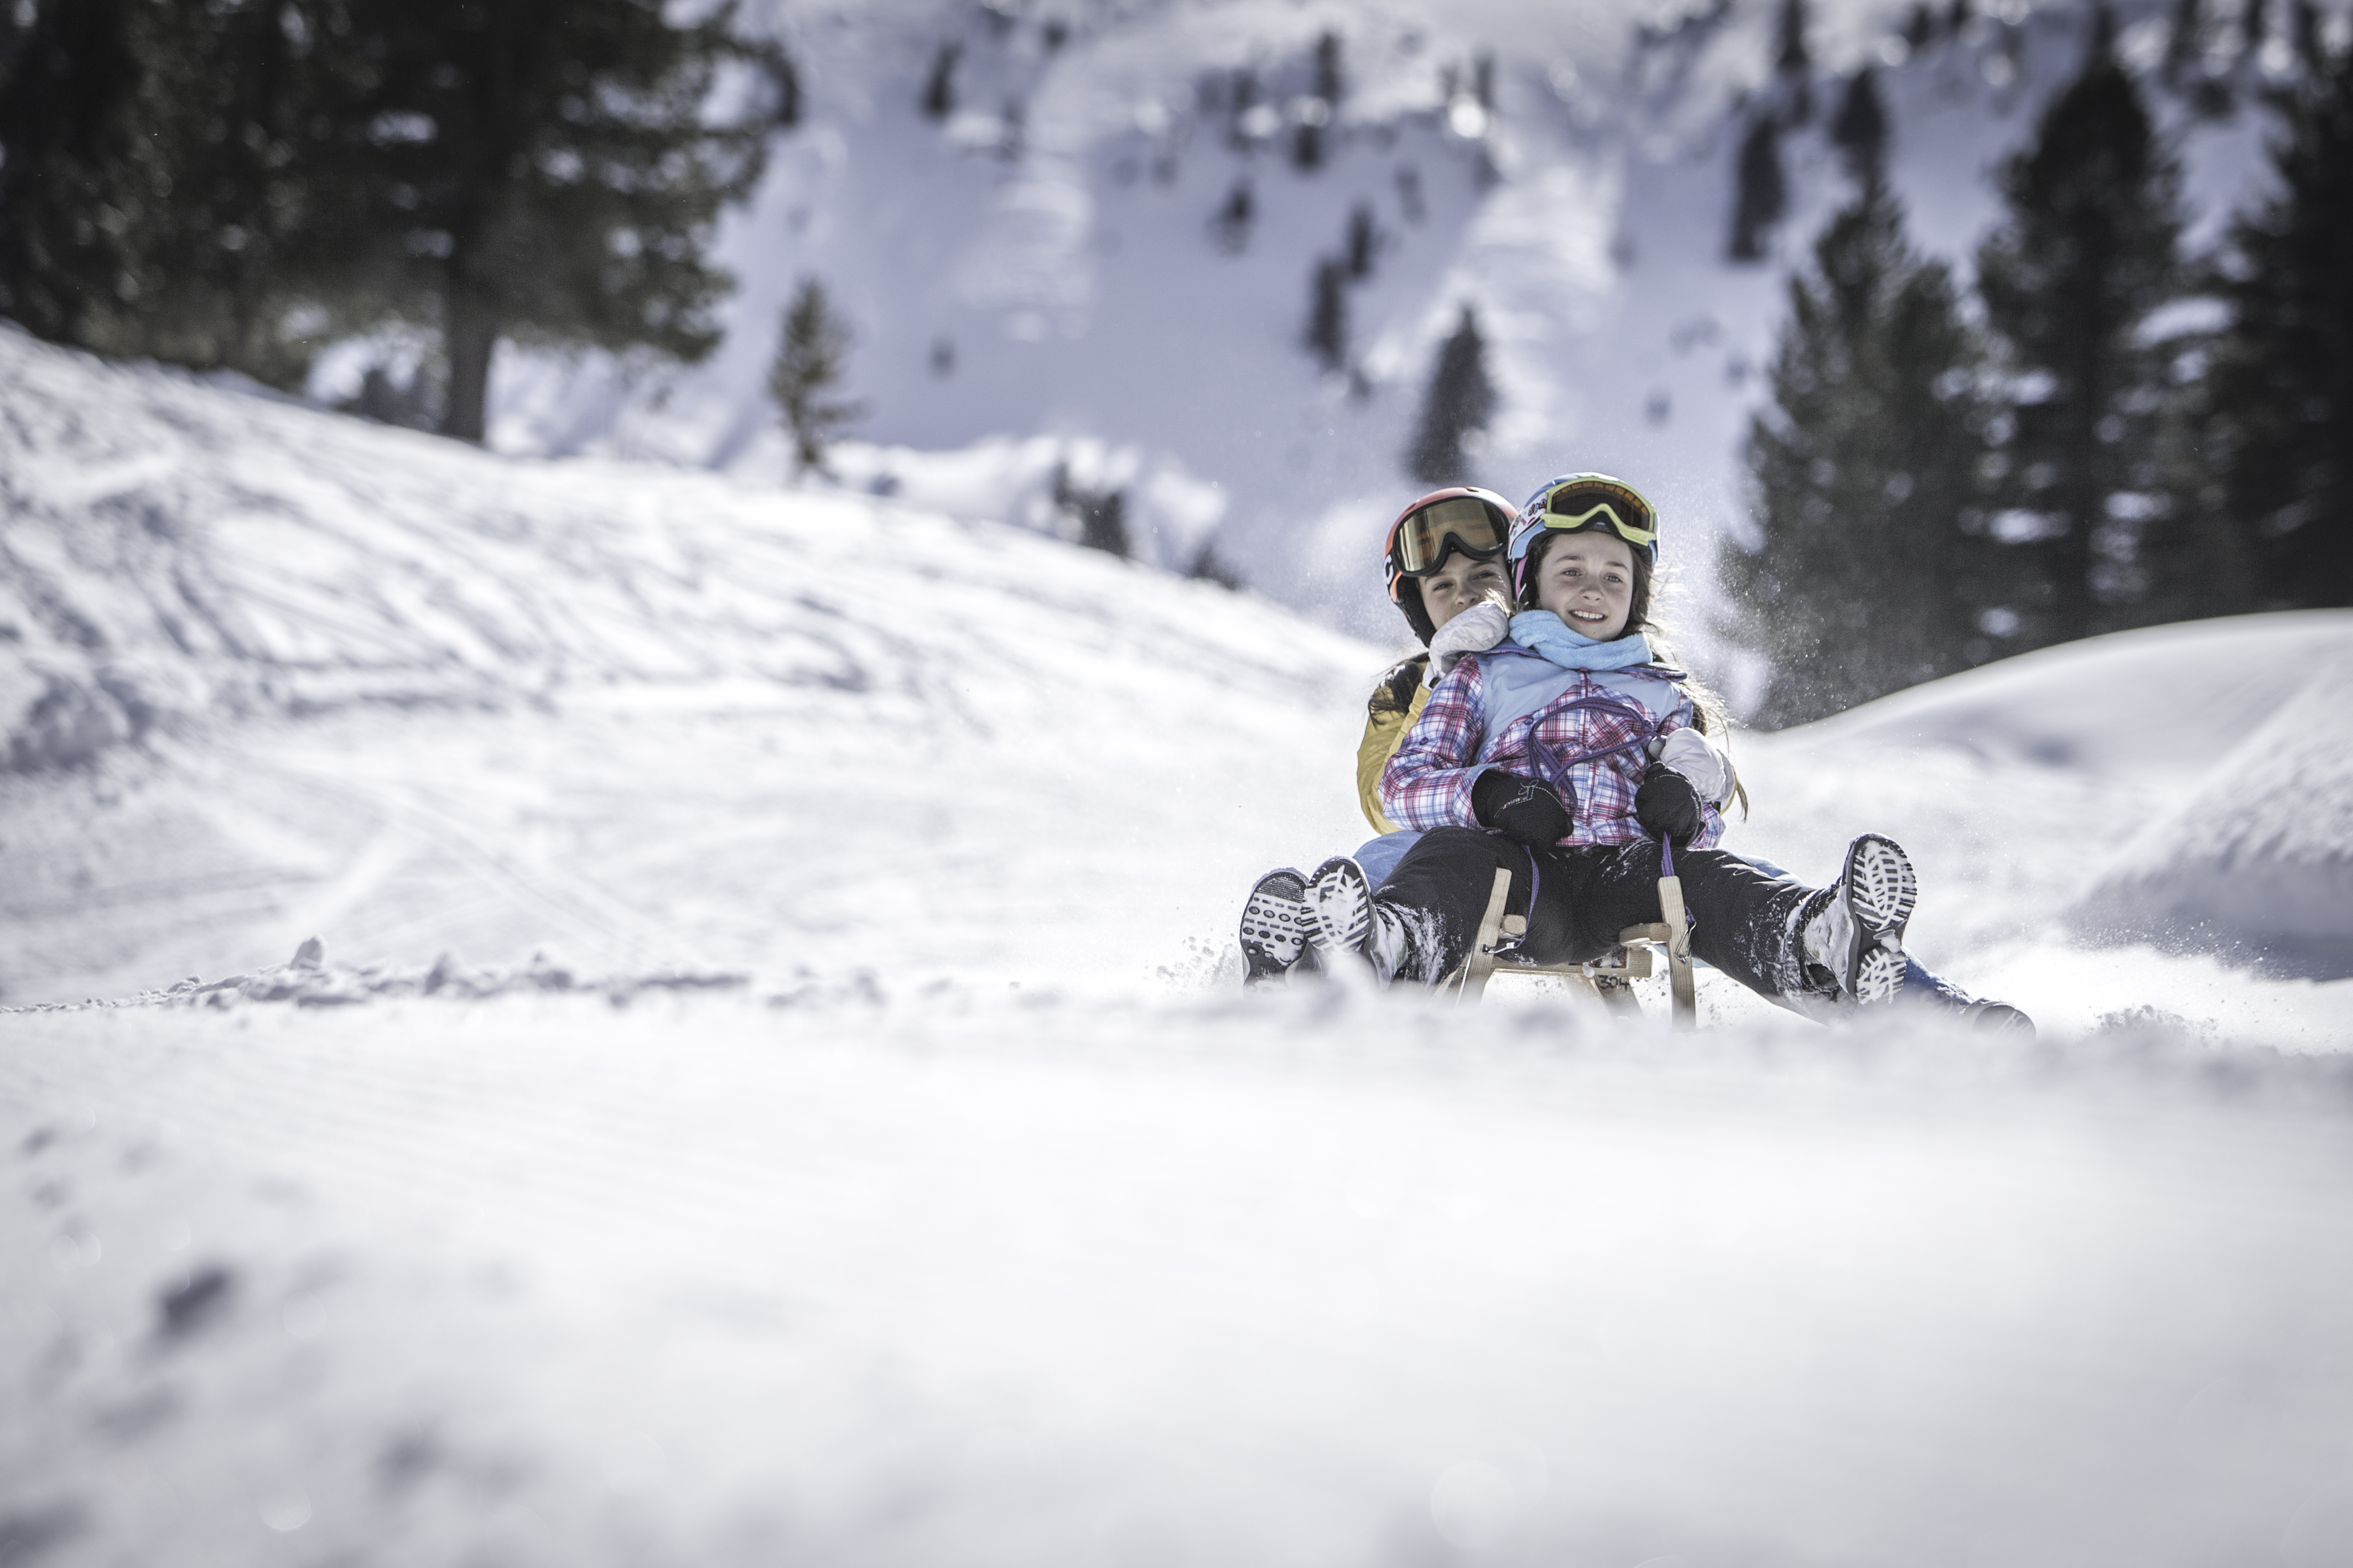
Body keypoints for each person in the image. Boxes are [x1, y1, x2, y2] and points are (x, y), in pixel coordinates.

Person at [1242, 473, 2030, 1029]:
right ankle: (1372, 946)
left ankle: (1829, 948)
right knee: (1446, 859)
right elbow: (1401, 789)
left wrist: (1688, 809)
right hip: (1524, 880)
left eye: (1612, 575)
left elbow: (1709, 817)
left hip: (1629, 878)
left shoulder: (1662, 691)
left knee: (1717, 879)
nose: (1591, 588)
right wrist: (1487, 795)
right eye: (1571, 570)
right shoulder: (1472, 674)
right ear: (1534, 583)